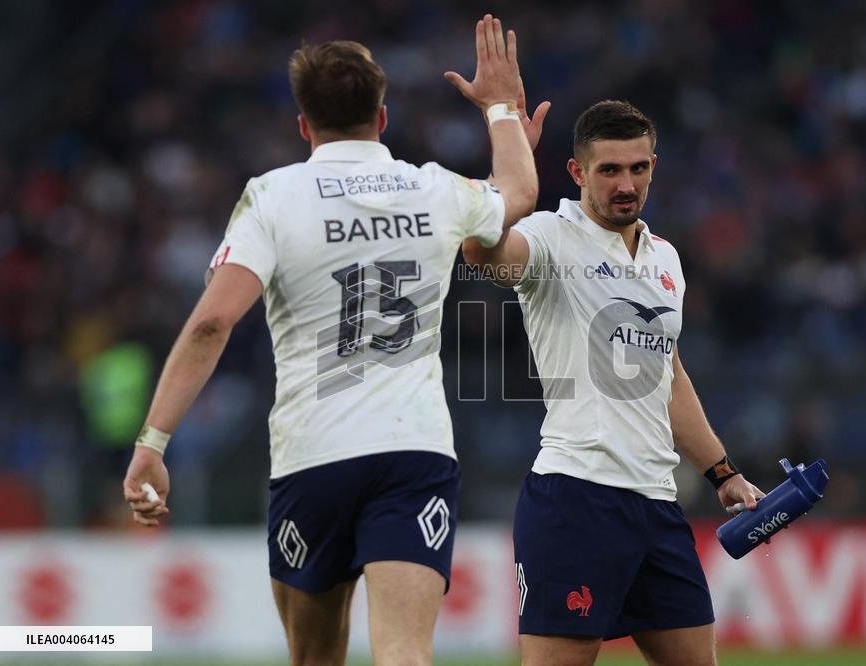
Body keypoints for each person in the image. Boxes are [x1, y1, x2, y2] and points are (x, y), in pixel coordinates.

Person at [122, 15, 545, 666]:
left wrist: (153, 442)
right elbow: (519, 190)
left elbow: (211, 322)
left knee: (313, 657)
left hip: (312, 458)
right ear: (382, 117)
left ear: (302, 124)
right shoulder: (435, 188)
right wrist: (499, 110)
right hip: (413, 452)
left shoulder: (273, 197)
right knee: (405, 652)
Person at [462, 100, 764, 666]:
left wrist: (722, 472)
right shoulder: (551, 238)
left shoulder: (665, 259)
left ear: (654, 165)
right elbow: (480, 251)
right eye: (609, 170)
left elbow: (667, 376)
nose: (626, 184)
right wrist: (512, 167)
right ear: (578, 173)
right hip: (577, 498)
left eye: (638, 168)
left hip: (657, 503)